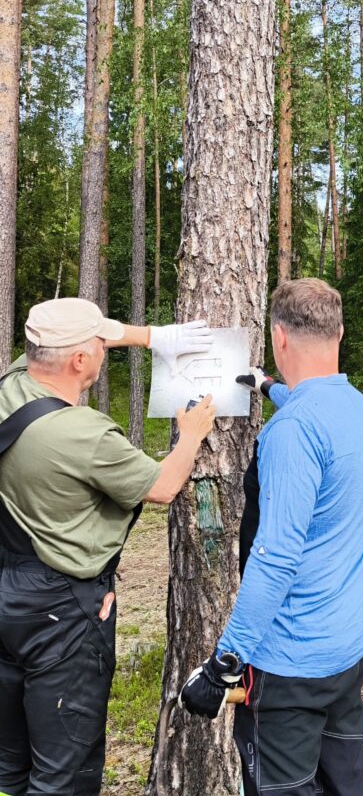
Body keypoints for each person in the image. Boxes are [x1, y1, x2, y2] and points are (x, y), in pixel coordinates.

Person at [0, 297, 218, 796]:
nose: (105, 346)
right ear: (80, 360)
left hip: (11, 590)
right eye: (99, 342)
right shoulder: (85, 434)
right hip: (64, 613)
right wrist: (190, 436)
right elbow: (163, 486)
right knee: (64, 770)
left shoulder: (11, 386)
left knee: (11, 761)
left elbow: (55, 335)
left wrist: (153, 337)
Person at [180, 278, 363, 796]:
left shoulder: (292, 433)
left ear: (279, 337)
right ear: (338, 332)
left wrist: (225, 664)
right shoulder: (354, 406)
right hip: (350, 644)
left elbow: (276, 558)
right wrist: (268, 387)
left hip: (293, 665)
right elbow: (312, 404)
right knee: (346, 782)